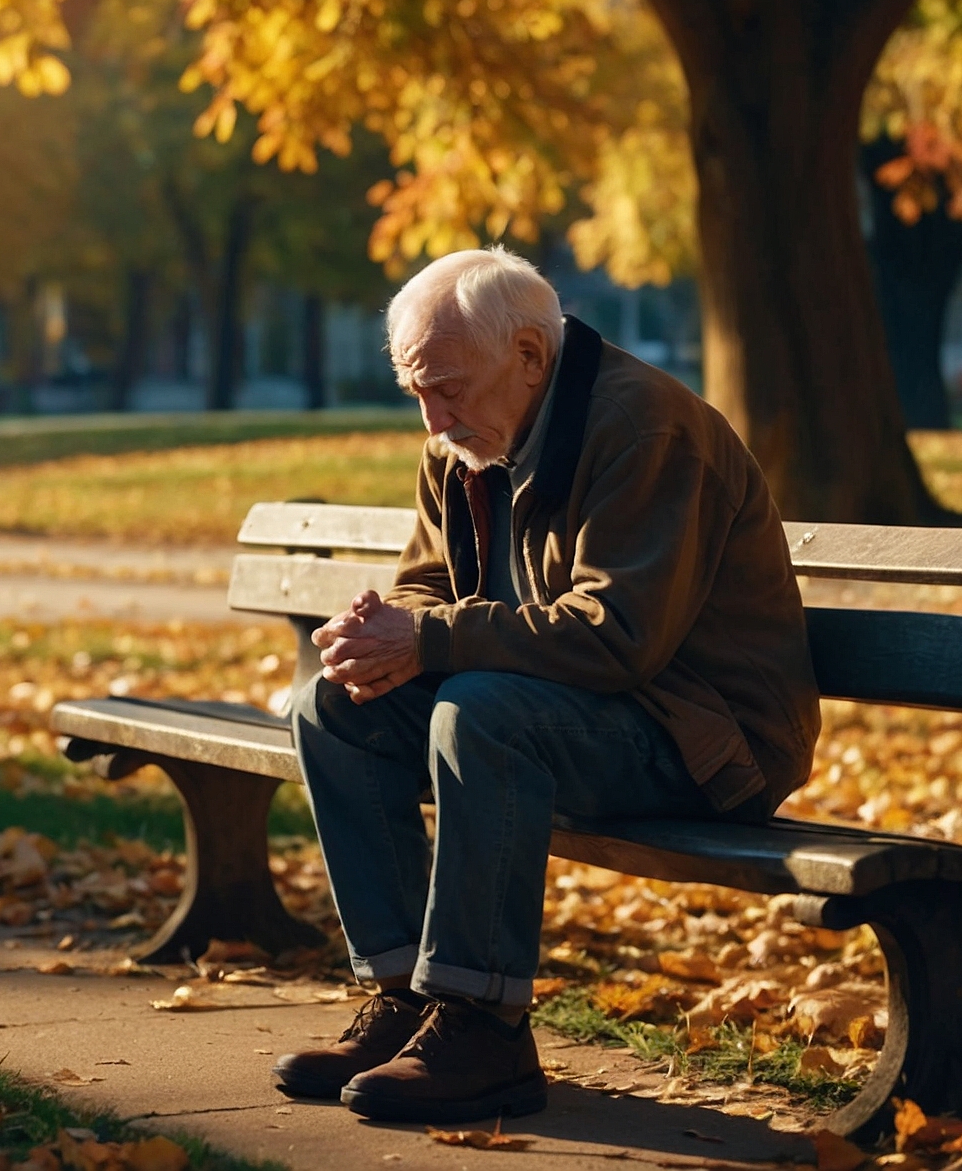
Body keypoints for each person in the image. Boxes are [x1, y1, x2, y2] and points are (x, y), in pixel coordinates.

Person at [273, 246, 821, 1124]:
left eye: (448, 388)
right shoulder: (462, 438)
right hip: (571, 711)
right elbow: (428, 586)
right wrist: (380, 636)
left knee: (479, 713)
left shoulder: (645, 429)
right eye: (417, 392)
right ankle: (407, 1001)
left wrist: (429, 638)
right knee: (333, 708)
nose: (432, 418)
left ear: (529, 356)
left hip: (708, 740)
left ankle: (483, 1028)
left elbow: (618, 639)